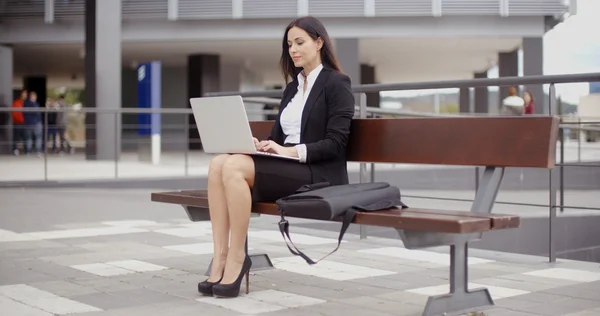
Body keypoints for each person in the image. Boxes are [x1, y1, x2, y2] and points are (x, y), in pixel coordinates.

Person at [198, 16, 355, 298]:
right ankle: (220, 256)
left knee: (233, 167)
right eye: (289, 44)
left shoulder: (337, 83)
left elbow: (337, 143)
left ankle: (237, 258)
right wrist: (262, 145)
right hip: (288, 165)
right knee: (218, 162)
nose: (293, 49)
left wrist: (290, 151)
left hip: (317, 172)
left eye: (299, 42)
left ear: (319, 43)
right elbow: (279, 137)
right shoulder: (292, 88)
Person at [11, 90, 27, 155]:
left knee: (25, 137)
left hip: (24, 123)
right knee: (16, 137)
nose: (25, 96)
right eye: (24, 94)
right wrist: (21, 120)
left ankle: (27, 150)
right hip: (18, 123)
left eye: (26, 95)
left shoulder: (26, 103)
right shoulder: (16, 103)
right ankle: (15, 150)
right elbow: (15, 114)